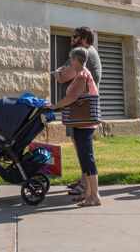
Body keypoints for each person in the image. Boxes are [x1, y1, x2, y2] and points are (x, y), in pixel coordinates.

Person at [53, 47, 101, 207]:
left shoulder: (81, 76)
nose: (69, 63)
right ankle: (88, 195)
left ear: (76, 60)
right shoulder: (82, 74)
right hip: (83, 123)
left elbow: (71, 98)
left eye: (71, 59)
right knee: (85, 158)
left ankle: (95, 196)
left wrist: (55, 106)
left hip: (84, 123)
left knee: (87, 158)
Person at [64, 27, 101, 197]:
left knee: (84, 151)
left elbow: (64, 75)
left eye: (75, 37)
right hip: (81, 110)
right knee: (83, 150)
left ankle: (89, 190)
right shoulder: (88, 52)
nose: (72, 40)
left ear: (84, 38)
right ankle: (84, 183)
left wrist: (58, 73)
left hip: (82, 112)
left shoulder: (84, 53)